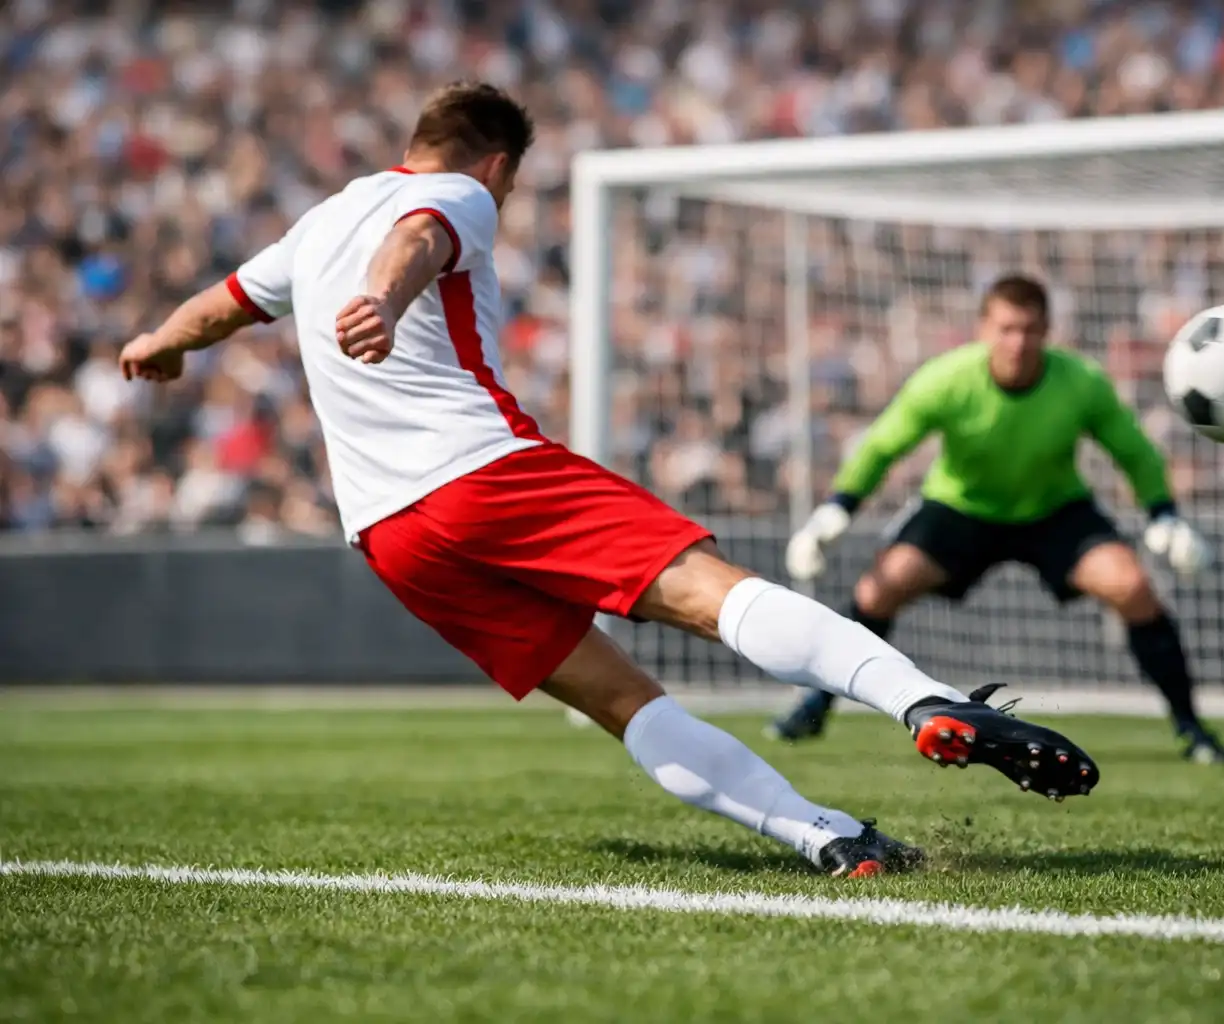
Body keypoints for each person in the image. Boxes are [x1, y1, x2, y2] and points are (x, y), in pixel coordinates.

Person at [119, 82, 1100, 879]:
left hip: (391, 537)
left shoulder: (315, 224)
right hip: (481, 473)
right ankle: (924, 700)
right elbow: (414, 239)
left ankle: (827, 836)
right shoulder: (457, 193)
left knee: (622, 701)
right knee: (718, 597)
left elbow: (226, 302)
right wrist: (383, 295)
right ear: (496, 165)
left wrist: (161, 341)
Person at [772, 275, 1224, 763]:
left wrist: (1164, 516)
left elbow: (1134, 452)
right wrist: (836, 509)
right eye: (1007, 328)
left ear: (1047, 331)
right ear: (983, 330)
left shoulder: (1081, 382)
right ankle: (816, 705)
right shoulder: (946, 378)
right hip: (959, 509)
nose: (1018, 341)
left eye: (1030, 329)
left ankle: (1191, 728)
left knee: (1132, 587)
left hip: (1054, 511)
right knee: (877, 590)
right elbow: (884, 445)